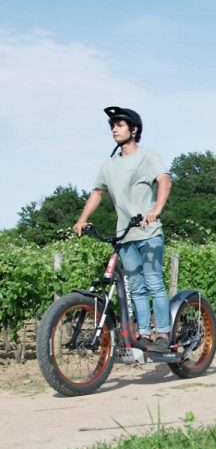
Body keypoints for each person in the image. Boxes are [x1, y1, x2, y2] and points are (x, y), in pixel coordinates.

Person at [73, 106, 173, 352]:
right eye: (112, 126)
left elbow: (164, 180)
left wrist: (155, 210)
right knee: (136, 286)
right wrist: (82, 218)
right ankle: (144, 335)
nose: (114, 129)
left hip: (149, 232)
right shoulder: (109, 165)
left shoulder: (148, 156)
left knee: (153, 282)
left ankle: (163, 334)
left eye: (119, 124)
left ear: (134, 129)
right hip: (125, 235)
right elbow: (97, 192)